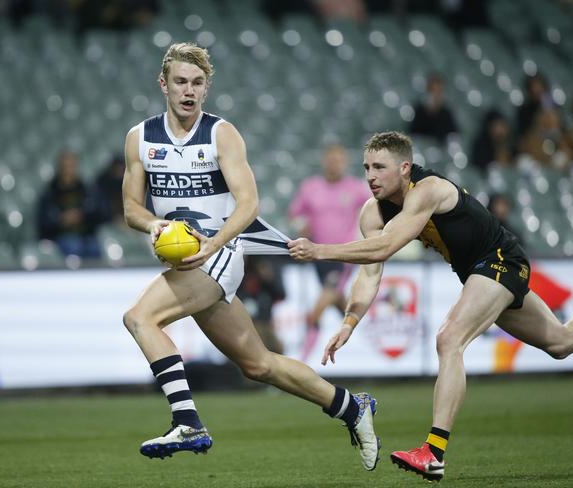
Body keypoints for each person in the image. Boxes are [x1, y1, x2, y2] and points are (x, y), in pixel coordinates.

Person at [121, 42, 379, 470]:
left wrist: (213, 243)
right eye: (181, 82)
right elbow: (131, 208)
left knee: (140, 317)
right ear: (163, 84)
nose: (189, 91)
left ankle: (187, 421)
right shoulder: (141, 138)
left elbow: (248, 204)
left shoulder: (222, 133)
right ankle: (352, 407)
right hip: (187, 258)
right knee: (258, 365)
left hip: (222, 250)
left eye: (198, 83)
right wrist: (154, 225)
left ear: (206, 88)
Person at [288, 131, 573, 481]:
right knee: (561, 343)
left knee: (449, 338)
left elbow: (385, 247)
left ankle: (433, 452)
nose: (370, 176)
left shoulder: (428, 190)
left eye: (380, 167)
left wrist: (319, 249)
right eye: (366, 167)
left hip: (501, 260)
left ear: (405, 167)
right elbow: (369, 273)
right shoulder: (372, 212)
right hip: (477, 272)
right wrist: (349, 322)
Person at [287, 144, 371, 360]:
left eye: (338, 160)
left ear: (345, 162)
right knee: (338, 303)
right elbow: (295, 215)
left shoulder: (356, 188)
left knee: (315, 312)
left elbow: (377, 208)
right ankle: (357, 319)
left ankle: (302, 362)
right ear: (324, 161)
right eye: (331, 160)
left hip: (343, 256)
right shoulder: (311, 187)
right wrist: (301, 225)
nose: (334, 164)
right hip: (317, 255)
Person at [37, 149, 103, 259]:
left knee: (94, 248)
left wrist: (81, 216)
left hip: (85, 234)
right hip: (60, 235)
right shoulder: (50, 192)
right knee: (73, 246)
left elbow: (98, 212)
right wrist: (62, 219)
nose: (68, 170)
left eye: (71, 166)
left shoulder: (86, 190)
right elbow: (44, 221)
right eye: (65, 166)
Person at [409, 73, 458, 144]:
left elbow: (452, 135)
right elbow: (414, 134)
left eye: (439, 91)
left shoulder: (446, 114)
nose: (436, 94)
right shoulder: (420, 111)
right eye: (433, 90)